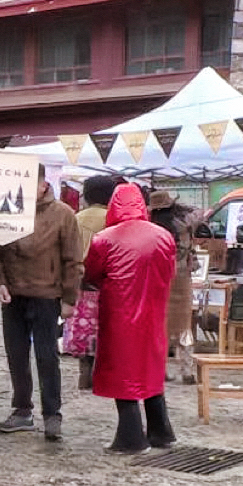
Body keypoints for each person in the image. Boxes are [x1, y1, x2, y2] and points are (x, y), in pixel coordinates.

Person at [0, 165, 82, 441]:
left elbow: (73, 260)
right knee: (16, 354)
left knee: (47, 356)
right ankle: (22, 410)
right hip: (13, 295)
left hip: (47, 295)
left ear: (43, 185)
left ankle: (52, 415)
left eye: (31, 184)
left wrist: (70, 298)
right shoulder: (5, 210)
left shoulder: (63, 214)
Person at [84, 183, 177, 455]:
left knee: (122, 372)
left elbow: (92, 274)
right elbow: (169, 271)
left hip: (119, 313)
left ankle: (131, 437)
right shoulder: (164, 236)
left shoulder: (104, 239)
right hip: (154, 311)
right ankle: (161, 431)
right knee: (150, 369)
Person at [63, 175, 119, 390]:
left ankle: (84, 371)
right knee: (105, 330)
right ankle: (101, 373)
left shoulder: (75, 218)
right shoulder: (114, 218)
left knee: (83, 329)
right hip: (107, 284)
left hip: (80, 282)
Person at [148, 190, 203, 384]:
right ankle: (186, 369)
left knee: (160, 326)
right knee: (184, 325)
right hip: (181, 277)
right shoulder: (184, 223)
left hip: (157, 279)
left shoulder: (149, 228)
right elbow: (200, 213)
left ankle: (160, 369)